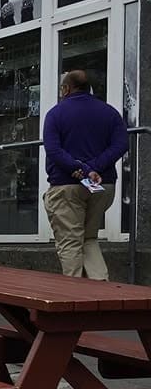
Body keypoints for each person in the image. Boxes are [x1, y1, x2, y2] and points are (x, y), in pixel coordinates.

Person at [42, 69, 129, 279]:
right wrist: (94, 168)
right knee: (89, 238)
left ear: (66, 89)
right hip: (103, 186)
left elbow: (53, 150)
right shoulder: (110, 112)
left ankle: (74, 298)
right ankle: (101, 289)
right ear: (89, 88)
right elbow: (121, 145)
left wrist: (82, 170)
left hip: (67, 186)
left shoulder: (56, 114)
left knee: (70, 242)